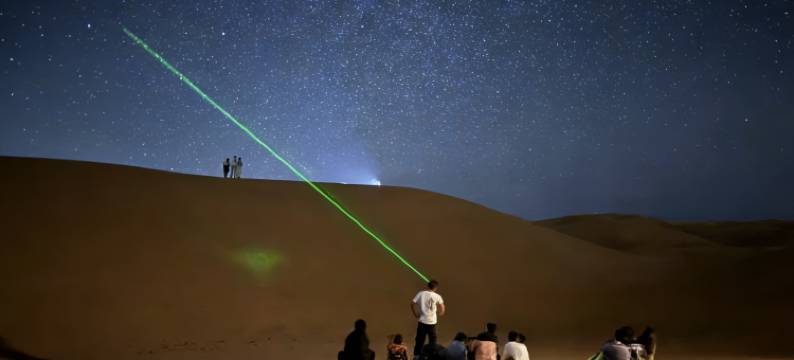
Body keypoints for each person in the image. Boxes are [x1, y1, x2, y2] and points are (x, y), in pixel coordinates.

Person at [411, 280, 445, 359]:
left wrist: (415, 314)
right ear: (436, 288)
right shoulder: (437, 296)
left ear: (428, 286)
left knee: (419, 340)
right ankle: (432, 356)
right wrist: (441, 312)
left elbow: (412, 303)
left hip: (422, 321)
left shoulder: (421, 293)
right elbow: (442, 307)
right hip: (432, 322)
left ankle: (416, 356)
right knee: (432, 341)